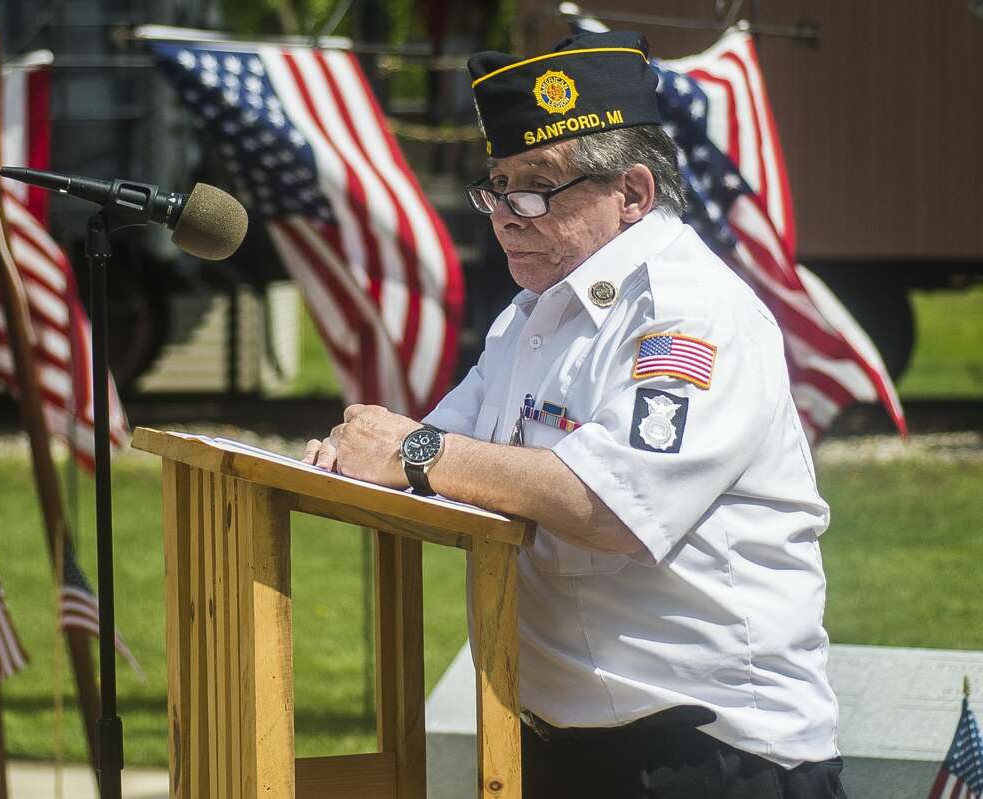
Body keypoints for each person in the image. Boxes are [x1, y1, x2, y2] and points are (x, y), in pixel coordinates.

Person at [302, 29, 846, 798]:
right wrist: (345, 460)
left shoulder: (687, 315)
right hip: (567, 748)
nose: (507, 216)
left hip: (705, 759)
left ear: (633, 193)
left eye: (537, 188)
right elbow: (435, 452)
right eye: (495, 187)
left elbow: (611, 507)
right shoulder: (531, 318)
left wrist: (415, 451)